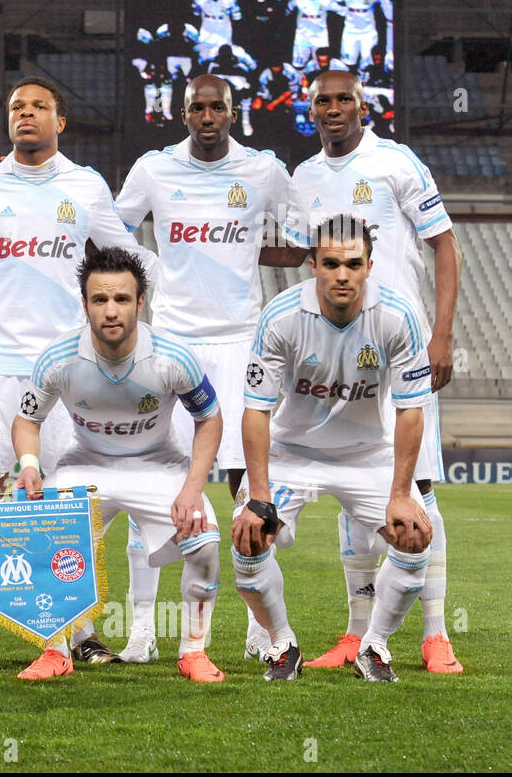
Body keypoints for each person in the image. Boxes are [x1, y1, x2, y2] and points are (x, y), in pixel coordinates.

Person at [0, 74, 159, 665]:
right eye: (16, 107)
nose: (26, 114)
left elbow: (127, 258)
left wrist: (168, 302)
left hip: (66, 376)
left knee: (73, 506)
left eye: (39, 107)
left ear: (60, 122)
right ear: (7, 121)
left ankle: (77, 634)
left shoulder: (85, 187)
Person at [267, 70, 464, 674]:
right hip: (341, 364)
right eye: (321, 100)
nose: (331, 109)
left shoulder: (395, 162)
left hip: (398, 352)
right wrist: (202, 241)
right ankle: (357, 636)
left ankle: (436, 636)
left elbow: (445, 244)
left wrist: (440, 333)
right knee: (357, 503)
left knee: (417, 496)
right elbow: (296, 254)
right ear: (312, 108)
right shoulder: (304, 177)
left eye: (342, 100)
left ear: (361, 106)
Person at [114, 74, 291, 663]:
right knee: (154, 485)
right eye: (197, 107)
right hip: (171, 346)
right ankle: (143, 630)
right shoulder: (153, 168)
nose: (207, 116)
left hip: (241, 344)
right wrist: (154, 269)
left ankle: (260, 629)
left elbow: (299, 233)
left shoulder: (263, 170)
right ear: (183, 114)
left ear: (233, 113)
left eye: (218, 107)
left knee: (249, 491)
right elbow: (111, 234)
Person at [233, 215, 433, 682]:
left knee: (416, 537)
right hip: (292, 453)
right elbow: (257, 410)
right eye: (330, 263)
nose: (342, 274)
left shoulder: (399, 316)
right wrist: (259, 495)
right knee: (248, 538)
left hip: (367, 455)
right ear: (312, 265)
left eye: (352, 263)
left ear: (369, 266)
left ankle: (374, 647)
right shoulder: (280, 317)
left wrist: (401, 493)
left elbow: (410, 412)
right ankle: (282, 645)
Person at [12, 247, 225, 682]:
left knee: (204, 542)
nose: (111, 311)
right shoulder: (58, 357)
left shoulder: (172, 355)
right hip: (86, 463)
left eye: (122, 299)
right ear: (85, 303)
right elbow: (27, 419)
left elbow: (210, 418)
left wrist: (191, 487)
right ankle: (56, 650)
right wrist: (30, 464)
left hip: (158, 464)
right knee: (45, 532)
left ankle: (193, 652)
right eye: (100, 300)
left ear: (141, 303)